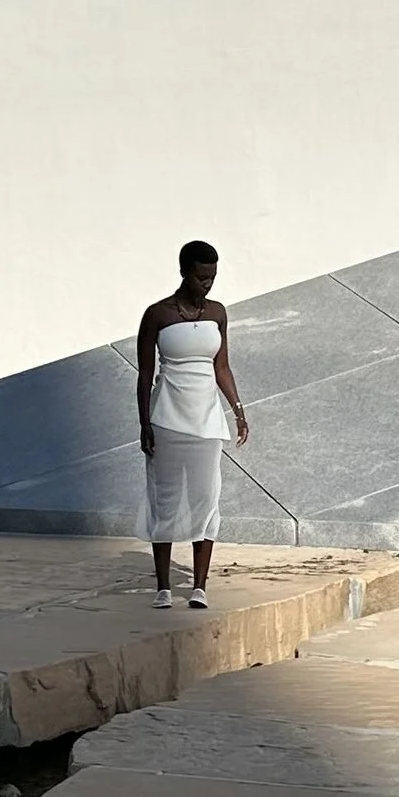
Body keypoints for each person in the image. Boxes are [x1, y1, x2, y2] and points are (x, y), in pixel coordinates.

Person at [135, 240, 249, 608]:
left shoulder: (217, 313)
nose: (207, 284)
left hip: (206, 419)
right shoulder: (157, 314)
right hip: (167, 416)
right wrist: (144, 424)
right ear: (184, 272)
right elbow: (145, 374)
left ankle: (199, 586)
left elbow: (222, 366)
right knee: (164, 497)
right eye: (201, 277)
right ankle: (164, 587)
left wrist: (238, 409)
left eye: (212, 277)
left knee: (206, 496)